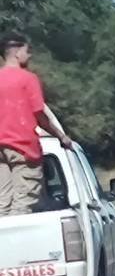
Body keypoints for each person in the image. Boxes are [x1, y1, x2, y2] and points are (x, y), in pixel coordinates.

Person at [0, 33, 72, 216]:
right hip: (22, 147)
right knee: (23, 203)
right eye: (27, 51)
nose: (29, 55)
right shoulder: (28, 79)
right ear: (17, 53)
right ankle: (14, 243)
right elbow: (39, 114)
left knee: (2, 203)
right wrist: (60, 136)